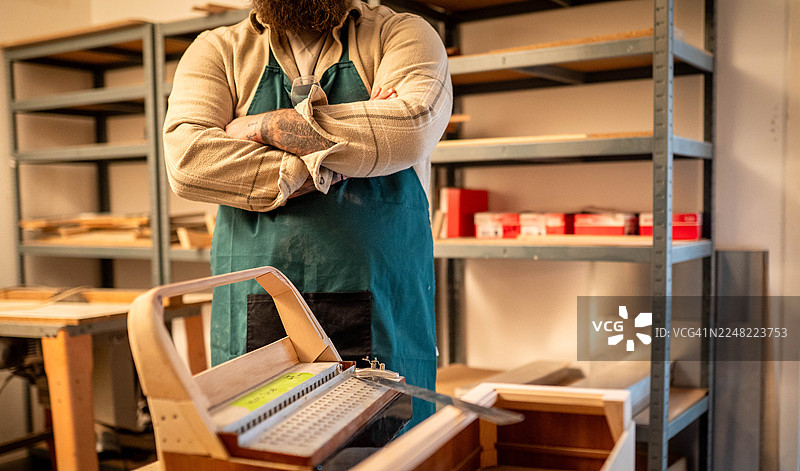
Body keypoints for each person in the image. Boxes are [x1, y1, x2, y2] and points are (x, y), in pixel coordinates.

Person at [163, 0, 452, 426]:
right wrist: (324, 165)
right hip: (257, 303)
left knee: (387, 449)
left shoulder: (403, 34)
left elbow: (408, 129)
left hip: (381, 304)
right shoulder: (217, 50)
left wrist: (251, 128)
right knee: (263, 444)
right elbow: (188, 162)